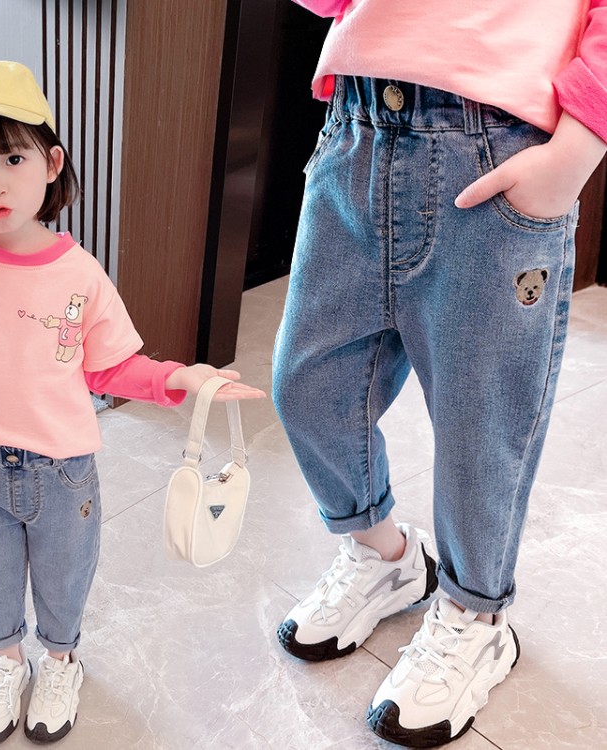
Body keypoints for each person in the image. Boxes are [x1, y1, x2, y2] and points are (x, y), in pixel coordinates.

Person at [0, 60, 265, 746]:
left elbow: (111, 367)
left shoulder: (80, 273)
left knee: (63, 577)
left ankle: (59, 661)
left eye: (12, 158)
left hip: (63, 471)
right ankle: (6, 660)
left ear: (51, 164)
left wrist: (182, 379)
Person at [272, 2, 606, 746]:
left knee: (479, 423)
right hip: (355, 130)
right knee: (307, 385)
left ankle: (475, 616)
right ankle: (383, 555)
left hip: (494, 145)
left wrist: (574, 155)